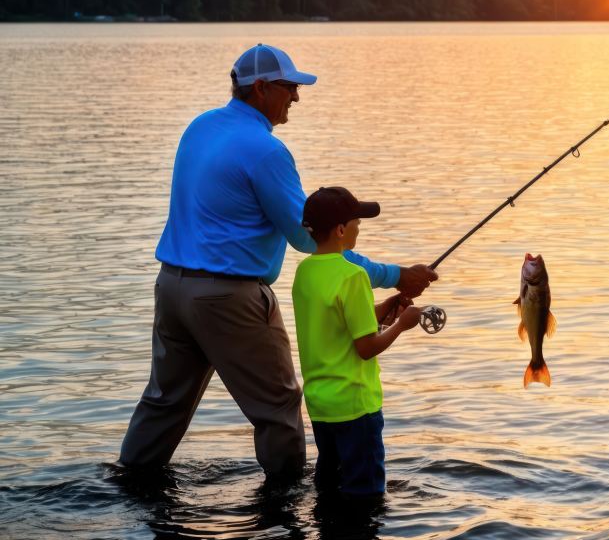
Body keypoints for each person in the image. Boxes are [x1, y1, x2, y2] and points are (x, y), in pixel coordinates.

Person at [119, 43, 437, 479]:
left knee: (164, 404)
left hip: (171, 288)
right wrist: (396, 276)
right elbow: (311, 239)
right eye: (289, 88)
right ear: (262, 87)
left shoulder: (199, 127)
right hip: (228, 297)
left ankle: (127, 484)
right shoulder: (266, 151)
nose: (296, 97)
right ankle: (286, 507)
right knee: (279, 406)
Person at [293, 186, 423, 498]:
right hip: (355, 406)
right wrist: (403, 325)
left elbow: (333, 323)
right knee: (365, 495)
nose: (359, 227)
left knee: (330, 487)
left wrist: (380, 311)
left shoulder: (304, 272)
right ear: (340, 230)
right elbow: (366, 348)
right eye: (356, 222)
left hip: (321, 405)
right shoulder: (353, 276)